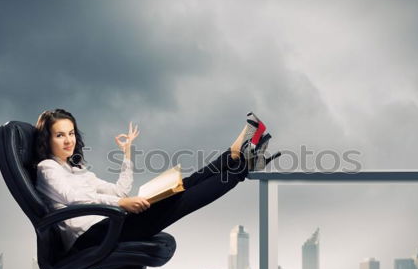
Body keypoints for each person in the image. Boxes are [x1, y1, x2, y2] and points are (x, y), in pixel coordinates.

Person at [34, 108, 278, 254]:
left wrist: (127, 152)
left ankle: (234, 155)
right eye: (59, 135)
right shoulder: (47, 168)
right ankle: (242, 167)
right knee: (180, 200)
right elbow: (74, 199)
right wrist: (121, 205)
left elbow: (120, 191)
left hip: (110, 223)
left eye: (71, 133)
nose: (68, 140)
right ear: (47, 140)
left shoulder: (77, 170)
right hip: (91, 237)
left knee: (183, 184)